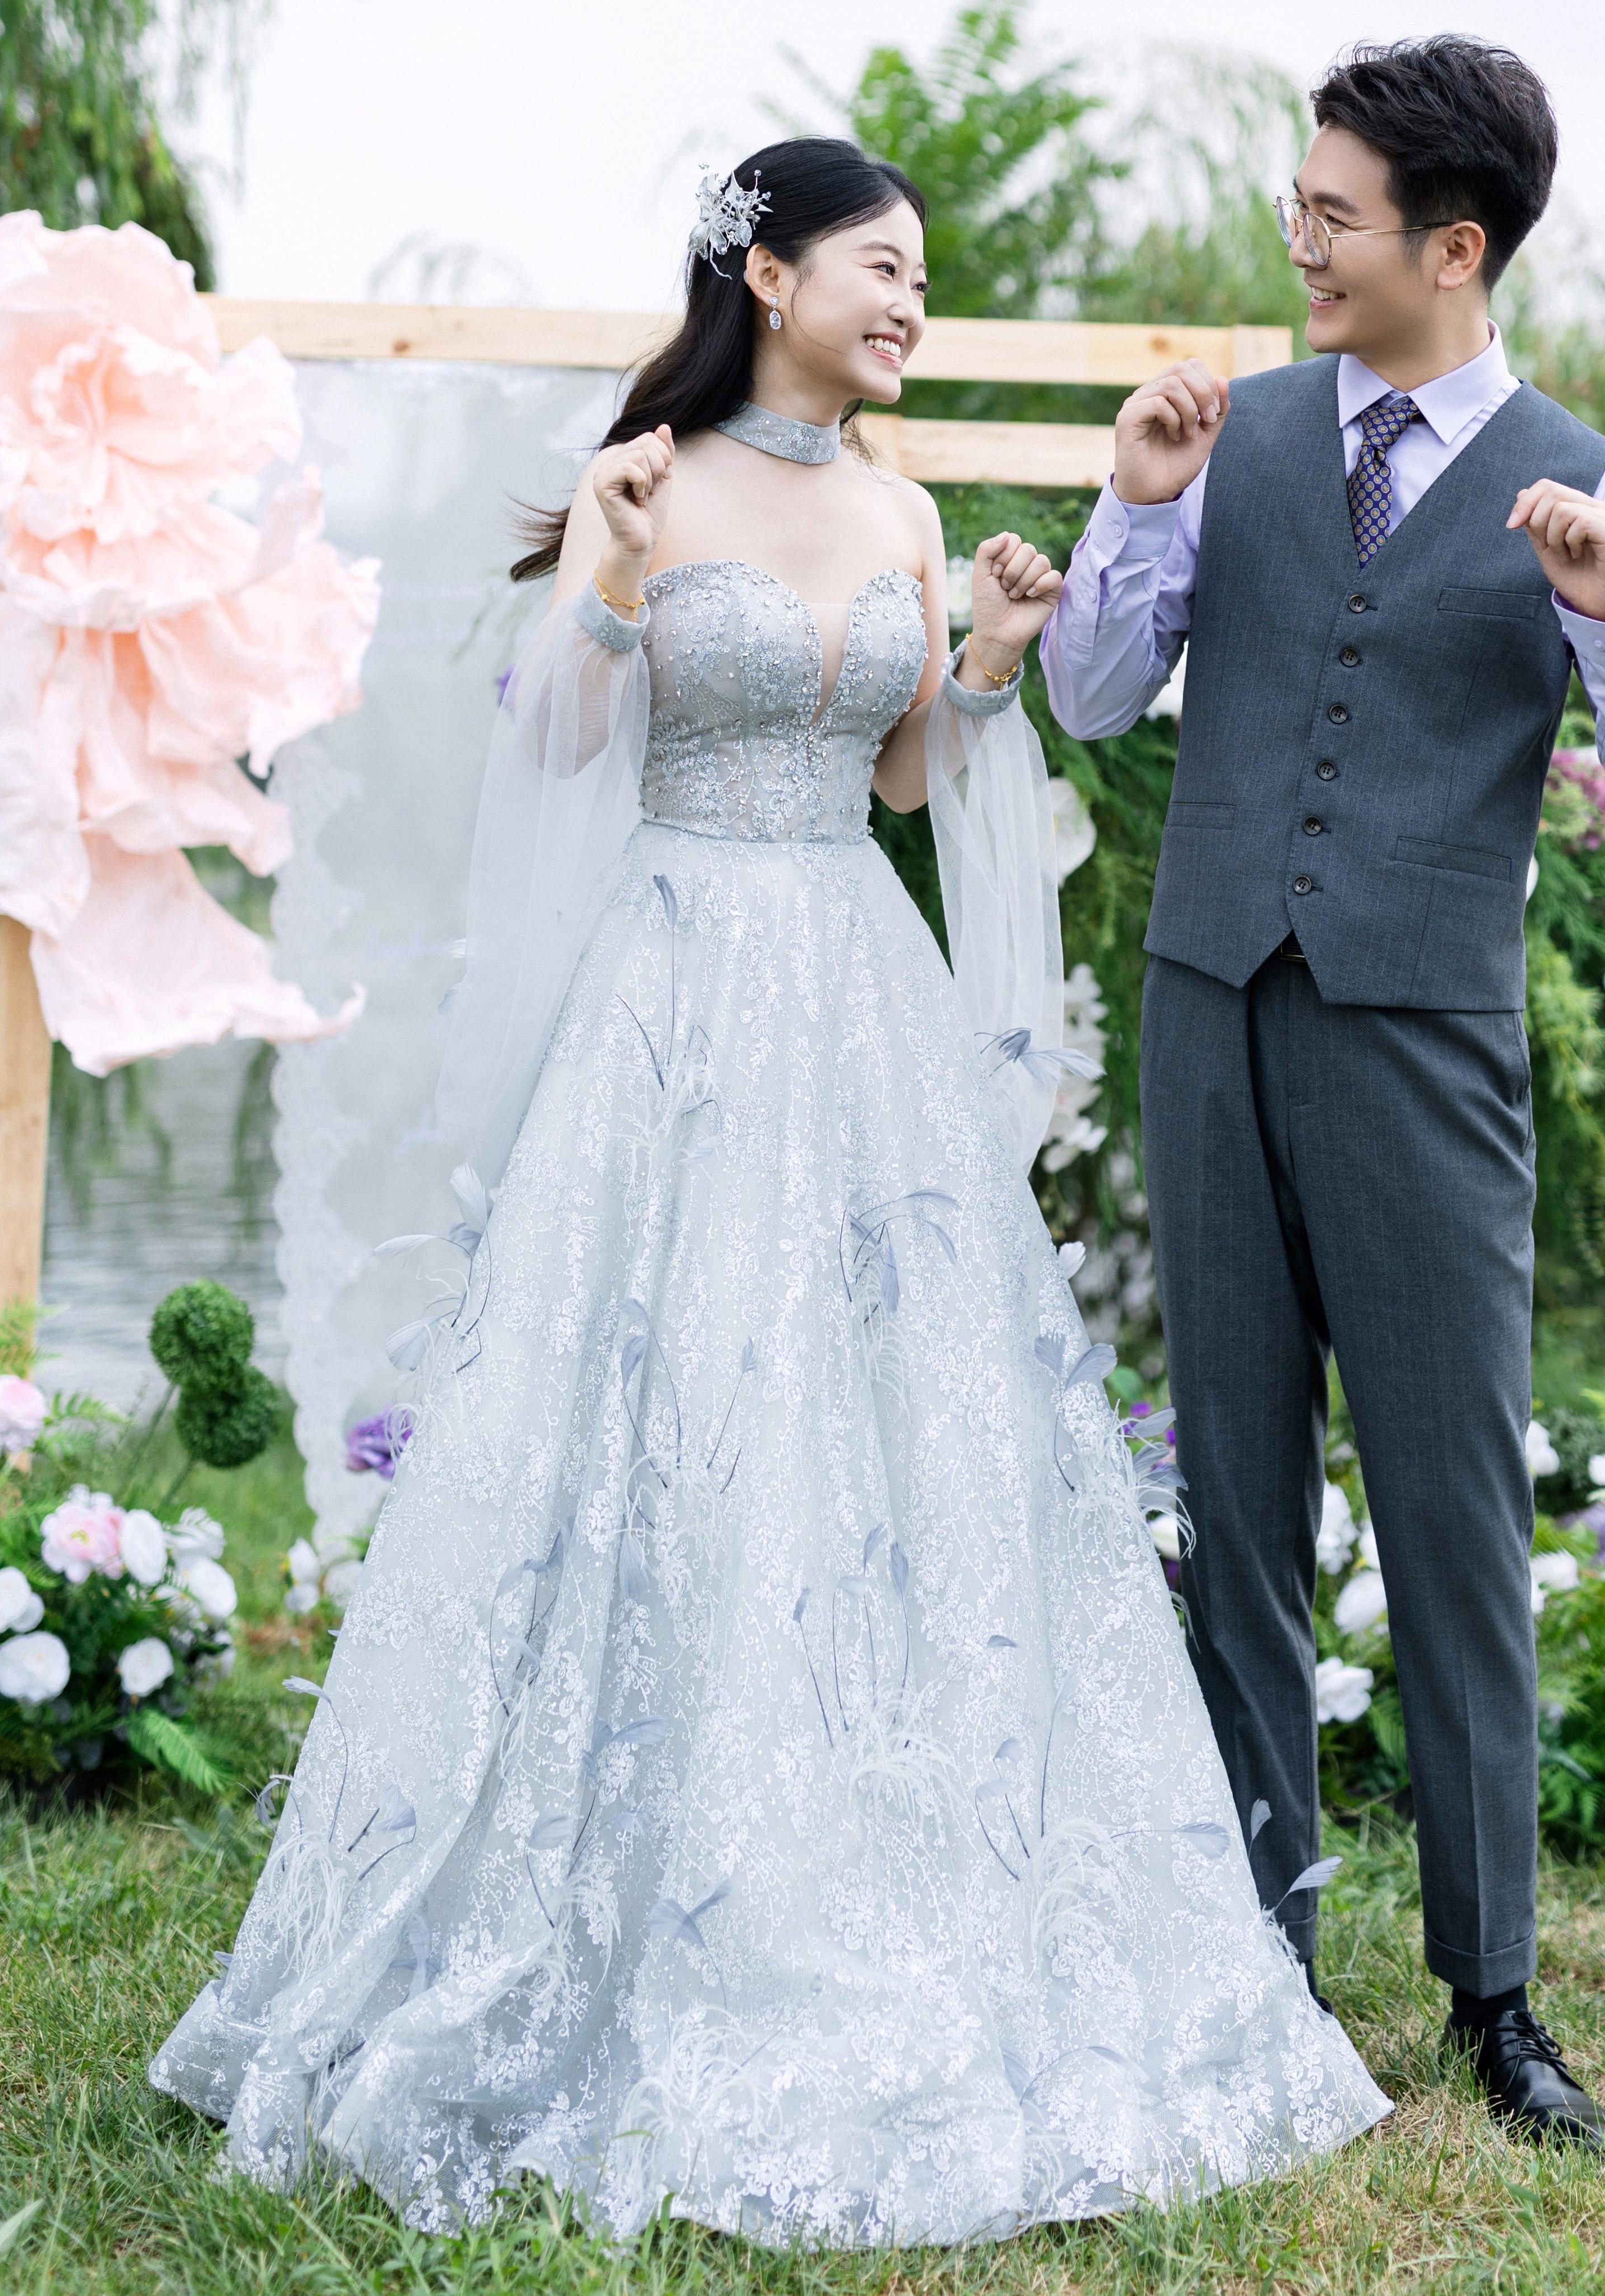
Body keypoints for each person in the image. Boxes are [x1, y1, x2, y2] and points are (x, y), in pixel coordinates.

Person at [152, 137, 1389, 2241]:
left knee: (888, 1422)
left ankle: (892, 1844)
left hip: (853, 980)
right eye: (879, 268)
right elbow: (557, 747)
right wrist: (610, 576)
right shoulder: (645, 478)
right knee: (663, 1398)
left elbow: (904, 774)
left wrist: (985, 652)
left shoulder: (898, 509)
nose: (907, 306)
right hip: (675, 989)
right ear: (767, 271)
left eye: (921, 279)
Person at [1041, 39, 1605, 2150]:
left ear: (1456, 245)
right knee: (1238, 1497)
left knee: (1448, 1509)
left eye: (1334, 213)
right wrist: (1132, 508)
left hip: (1425, 1043)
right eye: (1302, 200)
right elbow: (1091, 693)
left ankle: (1493, 1993)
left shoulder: (1584, 483)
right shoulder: (1224, 435)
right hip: (1210, 1010)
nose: (1300, 239)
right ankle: (1257, 1951)